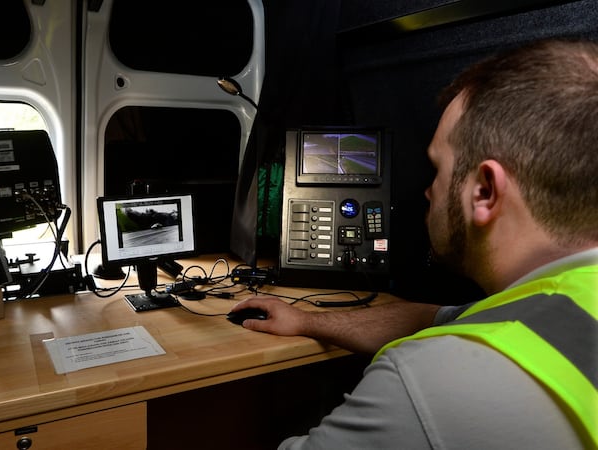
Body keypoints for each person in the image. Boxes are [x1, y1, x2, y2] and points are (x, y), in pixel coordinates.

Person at [231, 37, 598, 449]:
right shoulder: (565, 299)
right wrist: (308, 321)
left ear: (485, 192)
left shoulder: (425, 384)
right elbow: (441, 316)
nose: (428, 191)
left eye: (438, 168)